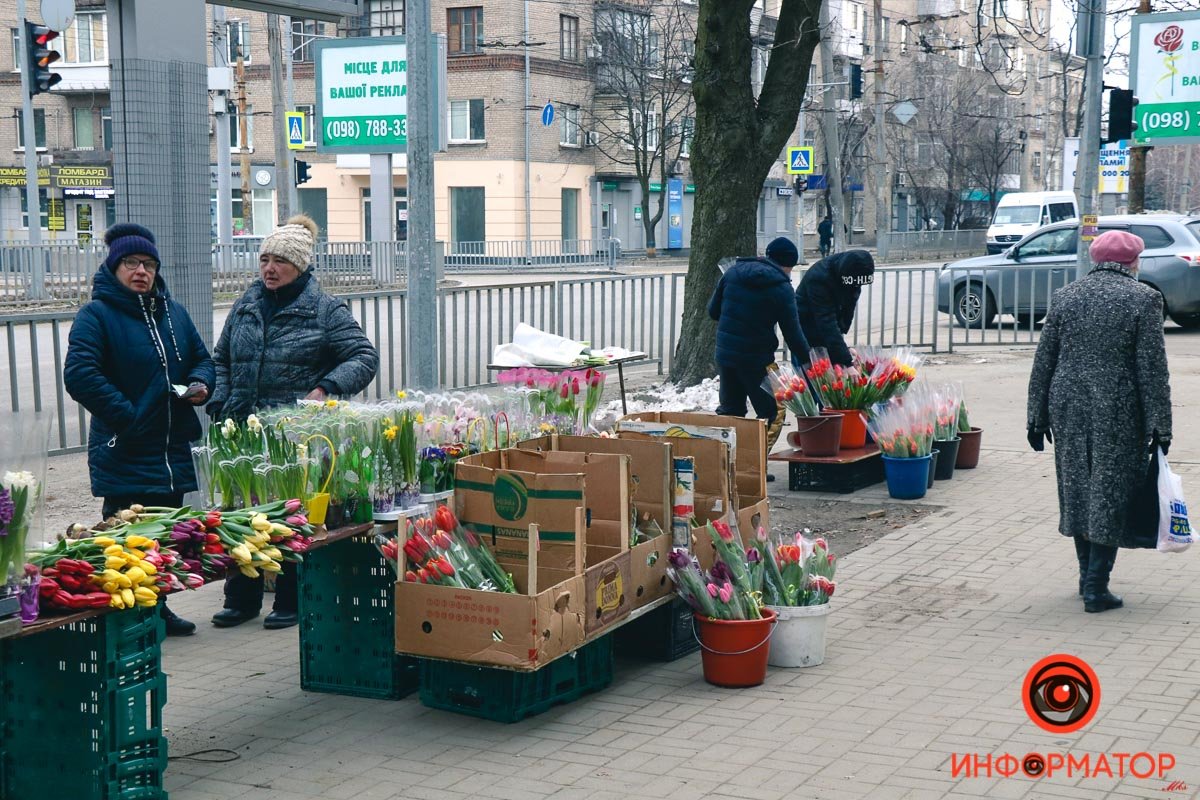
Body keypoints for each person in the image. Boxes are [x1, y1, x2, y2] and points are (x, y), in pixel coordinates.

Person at [209, 214, 379, 630]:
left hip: (293, 435)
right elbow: (222, 358)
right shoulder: (246, 304)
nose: (269, 268)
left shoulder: (324, 309)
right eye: (265, 259)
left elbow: (363, 357)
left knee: (287, 513)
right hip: (244, 429)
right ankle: (241, 597)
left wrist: (324, 388)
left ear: (300, 266)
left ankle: (290, 598)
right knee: (240, 512)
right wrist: (220, 398)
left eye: (279, 261)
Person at [64, 223, 214, 637]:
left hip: (170, 449)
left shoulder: (173, 313)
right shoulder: (97, 315)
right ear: (114, 268)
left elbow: (202, 359)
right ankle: (129, 618)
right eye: (131, 263)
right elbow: (80, 375)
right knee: (125, 538)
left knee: (163, 536)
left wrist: (201, 385)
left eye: (148, 264)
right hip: (126, 447)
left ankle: (157, 608)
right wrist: (127, 416)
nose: (141, 271)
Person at [1026, 230, 1172, 614]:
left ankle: (1085, 577)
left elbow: (1045, 359)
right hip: (1118, 408)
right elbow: (1152, 370)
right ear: (1133, 262)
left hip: (1068, 404)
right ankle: (1096, 587)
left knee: (1078, 489)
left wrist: (1036, 417)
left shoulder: (1066, 296)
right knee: (1110, 491)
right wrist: (1161, 424)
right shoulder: (1144, 298)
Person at [708, 237, 811, 466]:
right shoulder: (782, 288)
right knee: (774, 412)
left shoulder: (733, 273)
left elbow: (713, 311)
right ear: (788, 265)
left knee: (730, 413)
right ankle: (753, 469)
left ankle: (725, 469)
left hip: (726, 356)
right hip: (756, 360)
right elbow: (793, 334)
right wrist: (809, 363)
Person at [794, 250, 876, 369]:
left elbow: (849, 305)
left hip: (826, 329)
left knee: (831, 377)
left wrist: (843, 348)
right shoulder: (819, 278)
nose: (857, 287)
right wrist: (847, 361)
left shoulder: (853, 276)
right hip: (806, 330)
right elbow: (826, 321)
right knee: (809, 376)